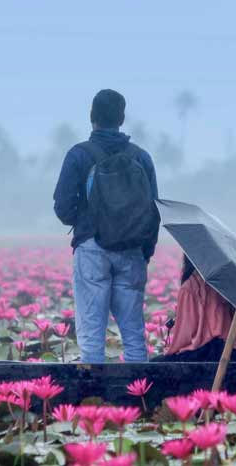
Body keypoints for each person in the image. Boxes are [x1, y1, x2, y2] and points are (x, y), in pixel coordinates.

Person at [53, 89, 160, 363]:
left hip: (92, 248)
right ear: (122, 118)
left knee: (91, 335)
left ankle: (94, 399)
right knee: (134, 334)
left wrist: (86, 221)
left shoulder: (78, 155)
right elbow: (154, 211)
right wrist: (144, 252)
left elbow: (63, 208)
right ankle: (140, 398)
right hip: (133, 251)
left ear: (92, 116)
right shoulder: (141, 157)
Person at [152, 256, 236, 362]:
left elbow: (183, 340)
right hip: (234, 354)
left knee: (154, 364)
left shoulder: (190, 287)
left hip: (204, 356)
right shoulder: (235, 285)